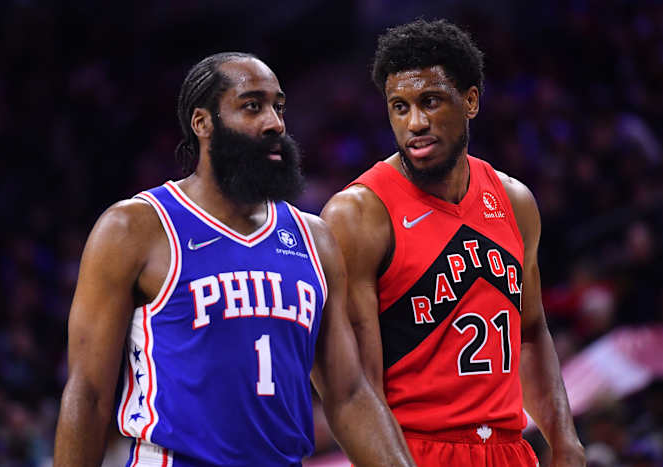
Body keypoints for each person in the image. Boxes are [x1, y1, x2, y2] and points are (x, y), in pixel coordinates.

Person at [53, 52, 414, 467]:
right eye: (252, 106)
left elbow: (349, 394)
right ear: (203, 122)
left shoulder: (314, 238)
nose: (275, 123)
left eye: (278, 107)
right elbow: (89, 394)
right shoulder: (134, 228)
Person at [321, 19, 586, 466]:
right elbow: (356, 388)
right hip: (413, 449)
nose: (416, 123)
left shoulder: (514, 201)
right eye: (399, 108)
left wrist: (565, 441)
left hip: (509, 448)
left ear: (470, 101)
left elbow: (532, 334)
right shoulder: (358, 216)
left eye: (430, 102)